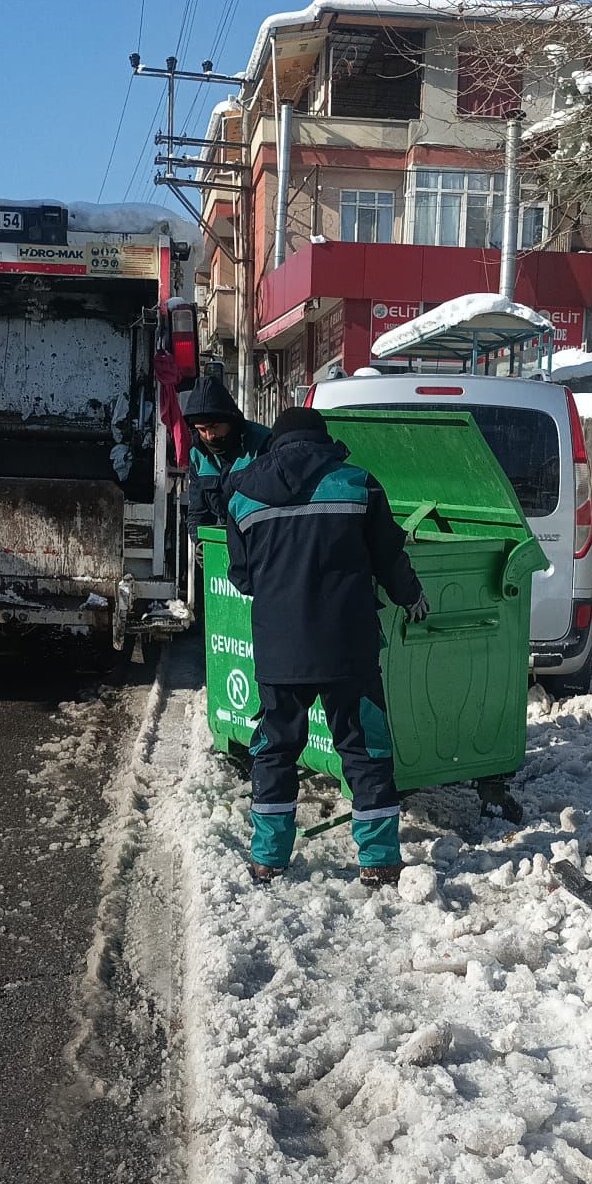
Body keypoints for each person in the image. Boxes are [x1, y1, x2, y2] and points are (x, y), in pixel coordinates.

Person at [226, 405, 429, 887]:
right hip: (348, 646)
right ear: (324, 439)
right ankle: (379, 860)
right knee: (364, 749)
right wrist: (412, 595)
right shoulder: (358, 482)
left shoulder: (241, 493)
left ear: (275, 442)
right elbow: (388, 556)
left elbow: (243, 577)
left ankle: (268, 859)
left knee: (276, 749)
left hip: (280, 650)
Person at [183, 374, 270, 532]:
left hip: (260, 537)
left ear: (230, 420)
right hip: (225, 538)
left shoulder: (263, 444)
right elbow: (198, 513)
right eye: (202, 430)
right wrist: (201, 543)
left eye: (214, 426)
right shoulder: (197, 454)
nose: (210, 436)